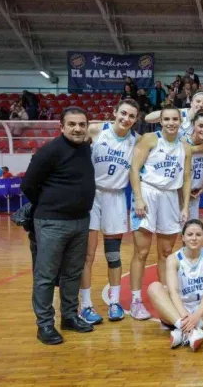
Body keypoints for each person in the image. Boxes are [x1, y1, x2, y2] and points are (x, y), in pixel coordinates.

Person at [21, 106, 96, 345]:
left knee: (72, 273)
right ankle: (44, 324)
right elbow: (28, 185)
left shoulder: (85, 148)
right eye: (72, 124)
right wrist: (49, 205)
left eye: (82, 124)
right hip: (52, 222)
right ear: (61, 127)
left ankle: (69, 316)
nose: (77, 128)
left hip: (81, 221)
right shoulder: (49, 151)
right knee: (46, 275)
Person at [79, 99, 140, 324]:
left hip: (115, 198)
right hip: (91, 195)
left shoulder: (137, 141)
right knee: (87, 255)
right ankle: (85, 305)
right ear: (114, 112)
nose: (126, 119)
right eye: (123, 113)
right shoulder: (97, 129)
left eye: (131, 116)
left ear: (136, 120)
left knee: (113, 256)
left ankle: (114, 302)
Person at [129, 106, 193, 320]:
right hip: (148, 192)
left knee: (166, 252)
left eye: (175, 119)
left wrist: (185, 206)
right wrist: (138, 198)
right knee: (142, 252)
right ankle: (136, 300)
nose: (171, 123)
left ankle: (167, 295)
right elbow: (134, 169)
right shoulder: (150, 139)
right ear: (161, 121)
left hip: (170, 196)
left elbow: (186, 178)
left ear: (180, 122)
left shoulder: (185, 147)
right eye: (167, 119)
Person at [147, 219, 203, 351]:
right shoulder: (173, 259)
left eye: (198, 235)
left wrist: (197, 316)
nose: (194, 238)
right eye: (190, 234)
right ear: (183, 237)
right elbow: (173, 292)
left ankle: (186, 330)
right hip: (178, 311)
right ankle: (190, 330)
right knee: (154, 287)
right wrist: (185, 316)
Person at [144, 89, 203, 225]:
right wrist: (171, 113)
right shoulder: (180, 115)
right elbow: (148, 118)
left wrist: (188, 150)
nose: (201, 105)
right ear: (192, 102)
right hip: (174, 163)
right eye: (198, 101)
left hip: (192, 162)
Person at [184, 112, 203, 221]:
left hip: (195, 196)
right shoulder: (183, 142)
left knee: (193, 229)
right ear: (193, 125)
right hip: (181, 197)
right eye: (201, 126)